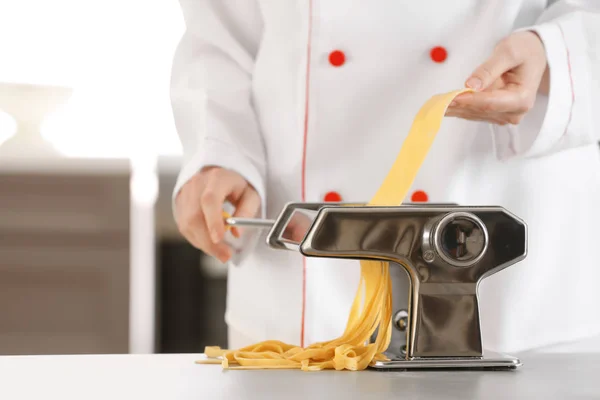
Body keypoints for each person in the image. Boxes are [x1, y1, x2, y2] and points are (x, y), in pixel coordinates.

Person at [170, 0, 600, 352]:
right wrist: (219, 149)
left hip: (518, 284)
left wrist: (557, 56)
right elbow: (218, 38)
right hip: (296, 295)